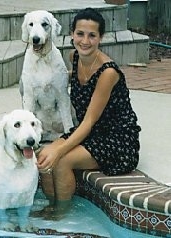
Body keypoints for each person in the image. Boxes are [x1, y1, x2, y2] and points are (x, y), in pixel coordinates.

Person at [36, 7, 141, 218]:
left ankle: (61, 214)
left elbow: (89, 121)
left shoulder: (108, 73)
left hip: (117, 140)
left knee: (61, 159)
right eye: (80, 34)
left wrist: (60, 149)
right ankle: (51, 205)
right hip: (91, 133)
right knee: (43, 156)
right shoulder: (74, 56)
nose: (85, 41)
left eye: (92, 35)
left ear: (100, 38)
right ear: (72, 34)